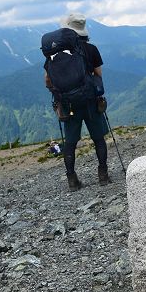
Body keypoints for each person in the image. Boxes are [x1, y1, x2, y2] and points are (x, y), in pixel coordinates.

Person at [45, 13, 110, 191]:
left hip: (68, 105)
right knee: (98, 138)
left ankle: (72, 180)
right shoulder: (91, 49)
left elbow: (47, 80)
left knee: (70, 142)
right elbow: (99, 75)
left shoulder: (54, 54)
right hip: (90, 102)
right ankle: (103, 175)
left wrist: (60, 92)